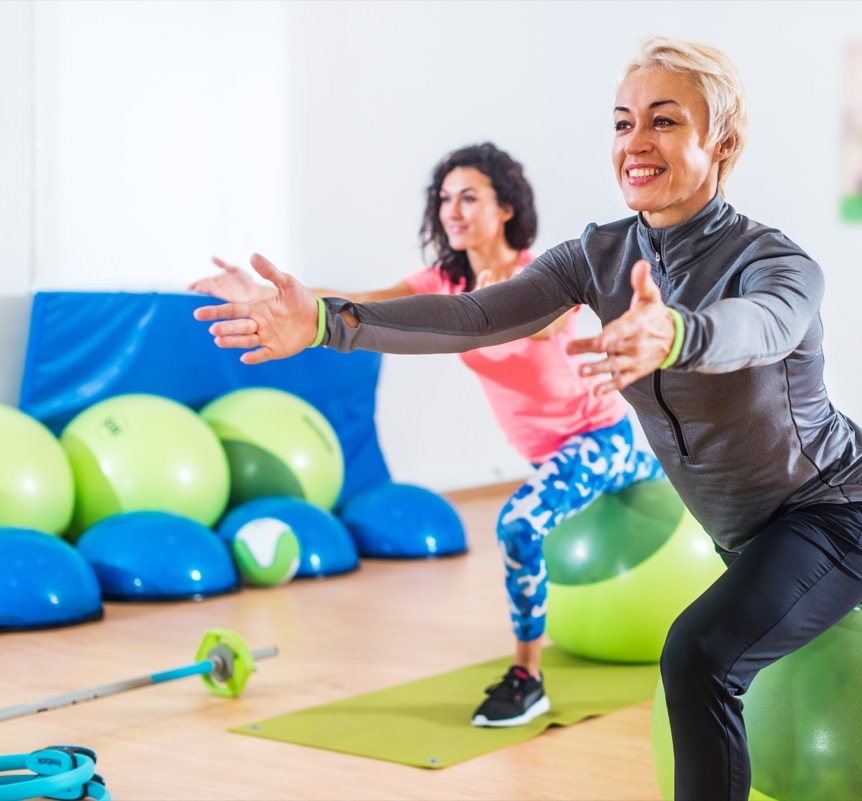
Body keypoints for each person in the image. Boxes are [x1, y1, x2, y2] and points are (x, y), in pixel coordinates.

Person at [195, 36, 862, 801]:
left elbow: (763, 326)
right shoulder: (597, 256)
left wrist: (676, 331)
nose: (635, 141)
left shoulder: (775, 262)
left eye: (665, 119)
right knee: (830, 594)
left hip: (836, 509)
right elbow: (474, 317)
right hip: (745, 529)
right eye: (623, 121)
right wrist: (332, 323)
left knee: (702, 653)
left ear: (723, 142)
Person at [189, 143, 663, 729]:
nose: (452, 211)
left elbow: (541, 326)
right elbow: (358, 304)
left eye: (469, 197)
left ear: (506, 207)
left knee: (518, 524)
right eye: (444, 199)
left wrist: (490, 306)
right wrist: (261, 297)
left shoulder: (542, 274)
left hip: (602, 437)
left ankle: (527, 678)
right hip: (544, 455)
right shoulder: (442, 280)